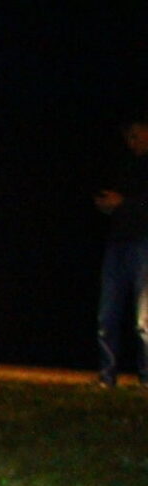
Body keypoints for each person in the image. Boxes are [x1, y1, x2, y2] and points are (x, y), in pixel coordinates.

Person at [93, 114, 148, 388]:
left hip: (144, 244)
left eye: (136, 135)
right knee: (108, 314)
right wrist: (108, 205)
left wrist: (124, 203)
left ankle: (146, 378)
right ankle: (107, 376)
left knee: (144, 318)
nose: (132, 141)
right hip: (118, 242)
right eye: (128, 137)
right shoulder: (126, 165)